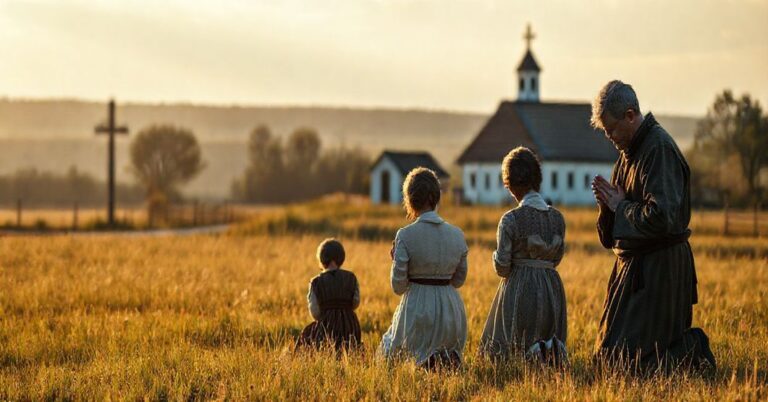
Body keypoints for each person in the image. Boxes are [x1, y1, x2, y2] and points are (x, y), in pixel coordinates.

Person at [589, 80, 715, 371]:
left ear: (630, 115)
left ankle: (691, 348)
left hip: (661, 272)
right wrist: (606, 208)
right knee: (607, 362)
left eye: (612, 130)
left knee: (635, 369)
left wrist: (620, 207)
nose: (610, 137)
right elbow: (610, 238)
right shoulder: (627, 154)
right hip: (631, 272)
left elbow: (663, 218)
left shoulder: (658, 149)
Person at [478, 147, 568, 364]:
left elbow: (502, 267)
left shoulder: (510, 220)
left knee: (515, 350)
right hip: (551, 288)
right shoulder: (558, 219)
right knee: (548, 350)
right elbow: (555, 260)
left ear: (510, 185)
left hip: (521, 287)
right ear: (537, 179)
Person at [379, 167, 469, 369]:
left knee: (392, 356)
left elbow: (398, 286)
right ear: (435, 197)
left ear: (409, 200)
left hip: (417, 309)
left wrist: (396, 262)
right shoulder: (457, 235)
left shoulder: (405, 235)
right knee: (444, 362)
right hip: (451, 311)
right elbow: (459, 280)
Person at [296, 238, 361, 351]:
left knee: (305, 338)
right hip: (349, 325)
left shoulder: (315, 282)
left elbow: (315, 312)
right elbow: (356, 303)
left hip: (327, 326)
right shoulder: (351, 277)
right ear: (341, 258)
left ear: (321, 259)